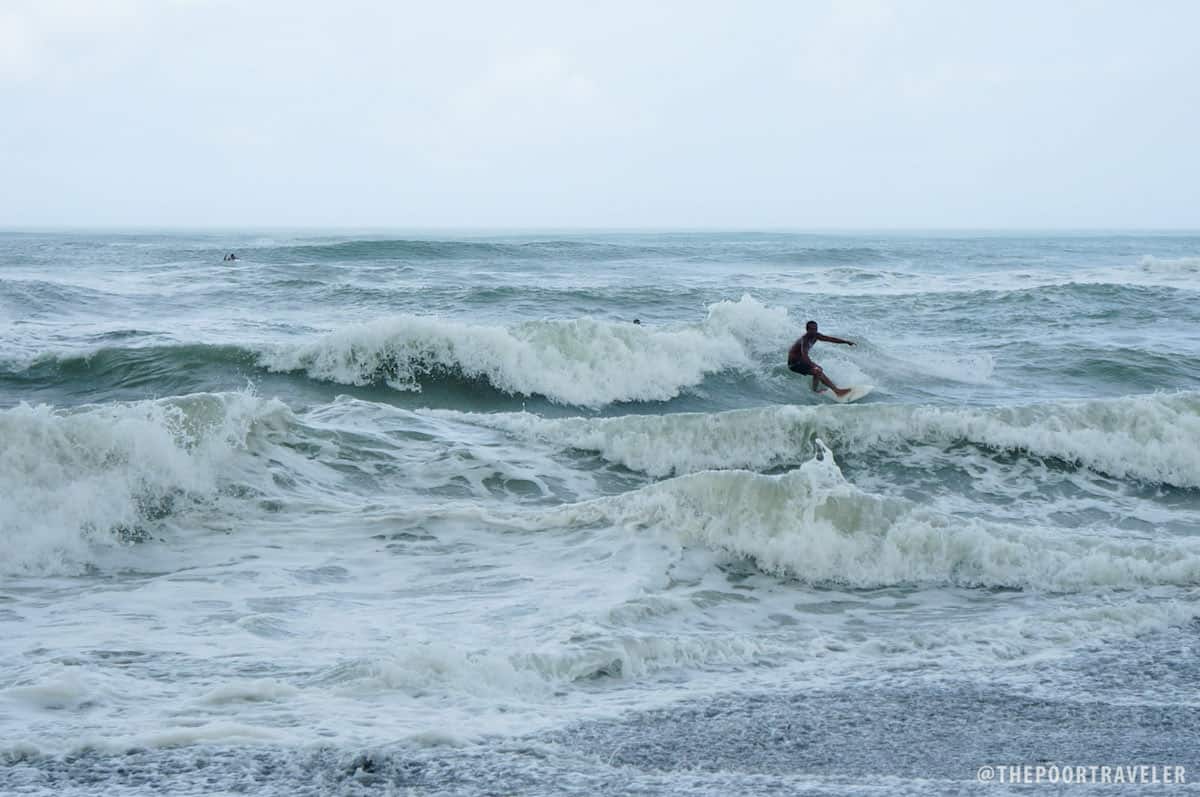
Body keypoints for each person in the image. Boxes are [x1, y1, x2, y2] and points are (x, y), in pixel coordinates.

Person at [788, 320, 855, 398]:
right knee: (817, 371)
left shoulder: (816, 335)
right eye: (812, 329)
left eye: (815, 329)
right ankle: (836, 391)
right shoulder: (805, 340)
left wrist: (845, 342)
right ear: (807, 330)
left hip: (801, 360)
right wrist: (813, 366)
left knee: (819, 370)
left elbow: (830, 339)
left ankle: (816, 389)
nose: (814, 331)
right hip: (794, 364)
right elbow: (804, 355)